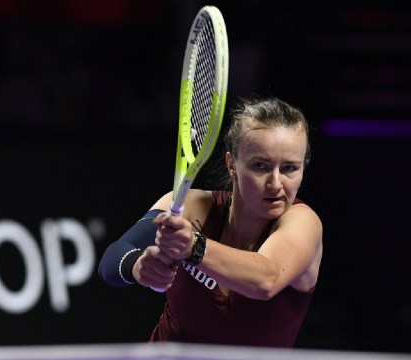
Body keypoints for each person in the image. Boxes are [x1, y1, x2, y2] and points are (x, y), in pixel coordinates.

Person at [98, 97, 323, 348]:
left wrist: (194, 246)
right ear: (232, 164)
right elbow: (112, 260)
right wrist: (138, 266)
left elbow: (266, 279)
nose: (276, 183)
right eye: (260, 166)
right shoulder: (193, 207)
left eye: (290, 168)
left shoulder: (303, 223)